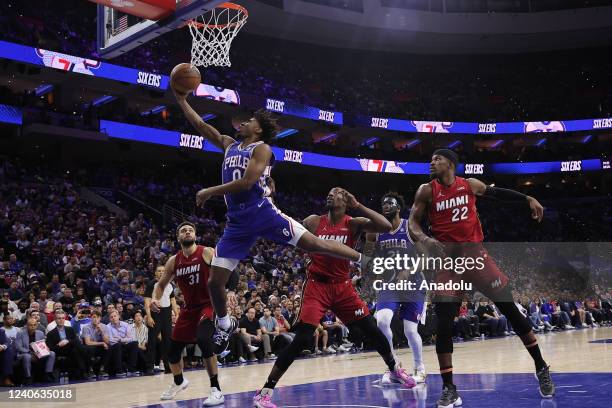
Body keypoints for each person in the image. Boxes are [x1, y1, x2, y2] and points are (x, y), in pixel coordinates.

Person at [173, 88, 370, 349]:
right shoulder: (229, 145)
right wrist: (182, 100)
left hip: (263, 213)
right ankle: (223, 323)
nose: (243, 122)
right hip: (238, 224)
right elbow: (200, 125)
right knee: (214, 281)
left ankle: (363, 259)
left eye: (249, 121)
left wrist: (211, 191)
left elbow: (247, 182)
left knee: (315, 243)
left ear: (258, 130)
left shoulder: (262, 148)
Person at [407, 149, 554, 407]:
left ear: (450, 164)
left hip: (476, 258)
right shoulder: (426, 190)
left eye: (437, 159)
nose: (431, 162)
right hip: (449, 264)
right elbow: (413, 224)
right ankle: (449, 388)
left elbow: (498, 195)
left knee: (511, 312)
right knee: (443, 324)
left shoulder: (470, 185)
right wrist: (425, 239)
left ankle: (541, 366)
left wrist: (527, 197)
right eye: (430, 158)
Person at [253, 187, 415, 408]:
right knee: (302, 338)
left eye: (337, 193)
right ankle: (265, 392)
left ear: (346, 201)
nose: (331, 195)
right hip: (316, 286)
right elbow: (290, 232)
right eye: (329, 193)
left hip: (343, 287)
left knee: (372, 329)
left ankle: (394, 369)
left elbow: (386, 226)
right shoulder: (312, 221)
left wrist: (357, 205)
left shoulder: (353, 222)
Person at [150, 222, 224, 406]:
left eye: (190, 230)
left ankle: (216, 389)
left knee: (204, 339)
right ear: (178, 237)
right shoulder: (174, 261)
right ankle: (179, 381)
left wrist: (228, 292)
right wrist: (154, 299)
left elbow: (227, 270)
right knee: (172, 352)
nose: (188, 232)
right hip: (189, 308)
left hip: (209, 304)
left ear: (195, 235)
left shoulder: (206, 251)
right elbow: (160, 285)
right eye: (183, 231)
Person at [365, 192, 427, 384]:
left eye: (390, 203)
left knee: (410, 330)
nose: (385, 206)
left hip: (413, 284)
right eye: (383, 203)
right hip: (389, 284)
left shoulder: (409, 226)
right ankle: (393, 366)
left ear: (398, 207)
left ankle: (420, 368)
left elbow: (425, 257)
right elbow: (367, 257)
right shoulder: (374, 230)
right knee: (382, 320)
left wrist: (408, 270)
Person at [144, 264, 177, 374]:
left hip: (167, 313)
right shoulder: (151, 284)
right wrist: (148, 316)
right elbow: (147, 301)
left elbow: (172, 300)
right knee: (152, 341)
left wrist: (176, 313)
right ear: (155, 273)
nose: (162, 272)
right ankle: (149, 367)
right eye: (159, 271)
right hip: (155, 312)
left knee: (167, 341)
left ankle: (168, 366)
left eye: (163, 270)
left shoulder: (170, 284)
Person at [46, 309, 88, 379]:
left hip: (70, 349)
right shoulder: (51, 333)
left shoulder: (70, 329)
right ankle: (84, 370)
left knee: (75, 349)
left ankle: (82, 370)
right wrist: (59, 345)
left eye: (63, 318)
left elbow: (75, 340)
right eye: (59, 318)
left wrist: (67, 341)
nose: (61, 320)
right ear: (55, 320)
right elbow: (50, 348)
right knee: (78, 349)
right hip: (60, 350)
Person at [15, 318, 56, 384]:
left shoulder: (40, 333)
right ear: (27, 325)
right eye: (31, 325)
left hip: (38, 353)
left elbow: (43, 345)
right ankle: (28, 377)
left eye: (34, 325)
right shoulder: (20, 333)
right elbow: (18, 347)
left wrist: (46, 348)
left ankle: (48, 374)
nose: (33, 327)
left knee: (52, 353)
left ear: (37, 325)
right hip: (26, 353)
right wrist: (31, 353)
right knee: (27, 356)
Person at [81, 310, 110, 379]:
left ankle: (102, 369)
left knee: (108, 347)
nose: (95, 319)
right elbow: (88, 343)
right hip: (89, 347)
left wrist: (102, 331)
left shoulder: (104, 327)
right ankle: (90, 370)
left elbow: (107, 341)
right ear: (91, 318)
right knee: (90, 348)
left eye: (97, 317)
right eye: (93, 317)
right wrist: (102, 343)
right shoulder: (86, 327)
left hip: (99, 347)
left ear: (100, 318)